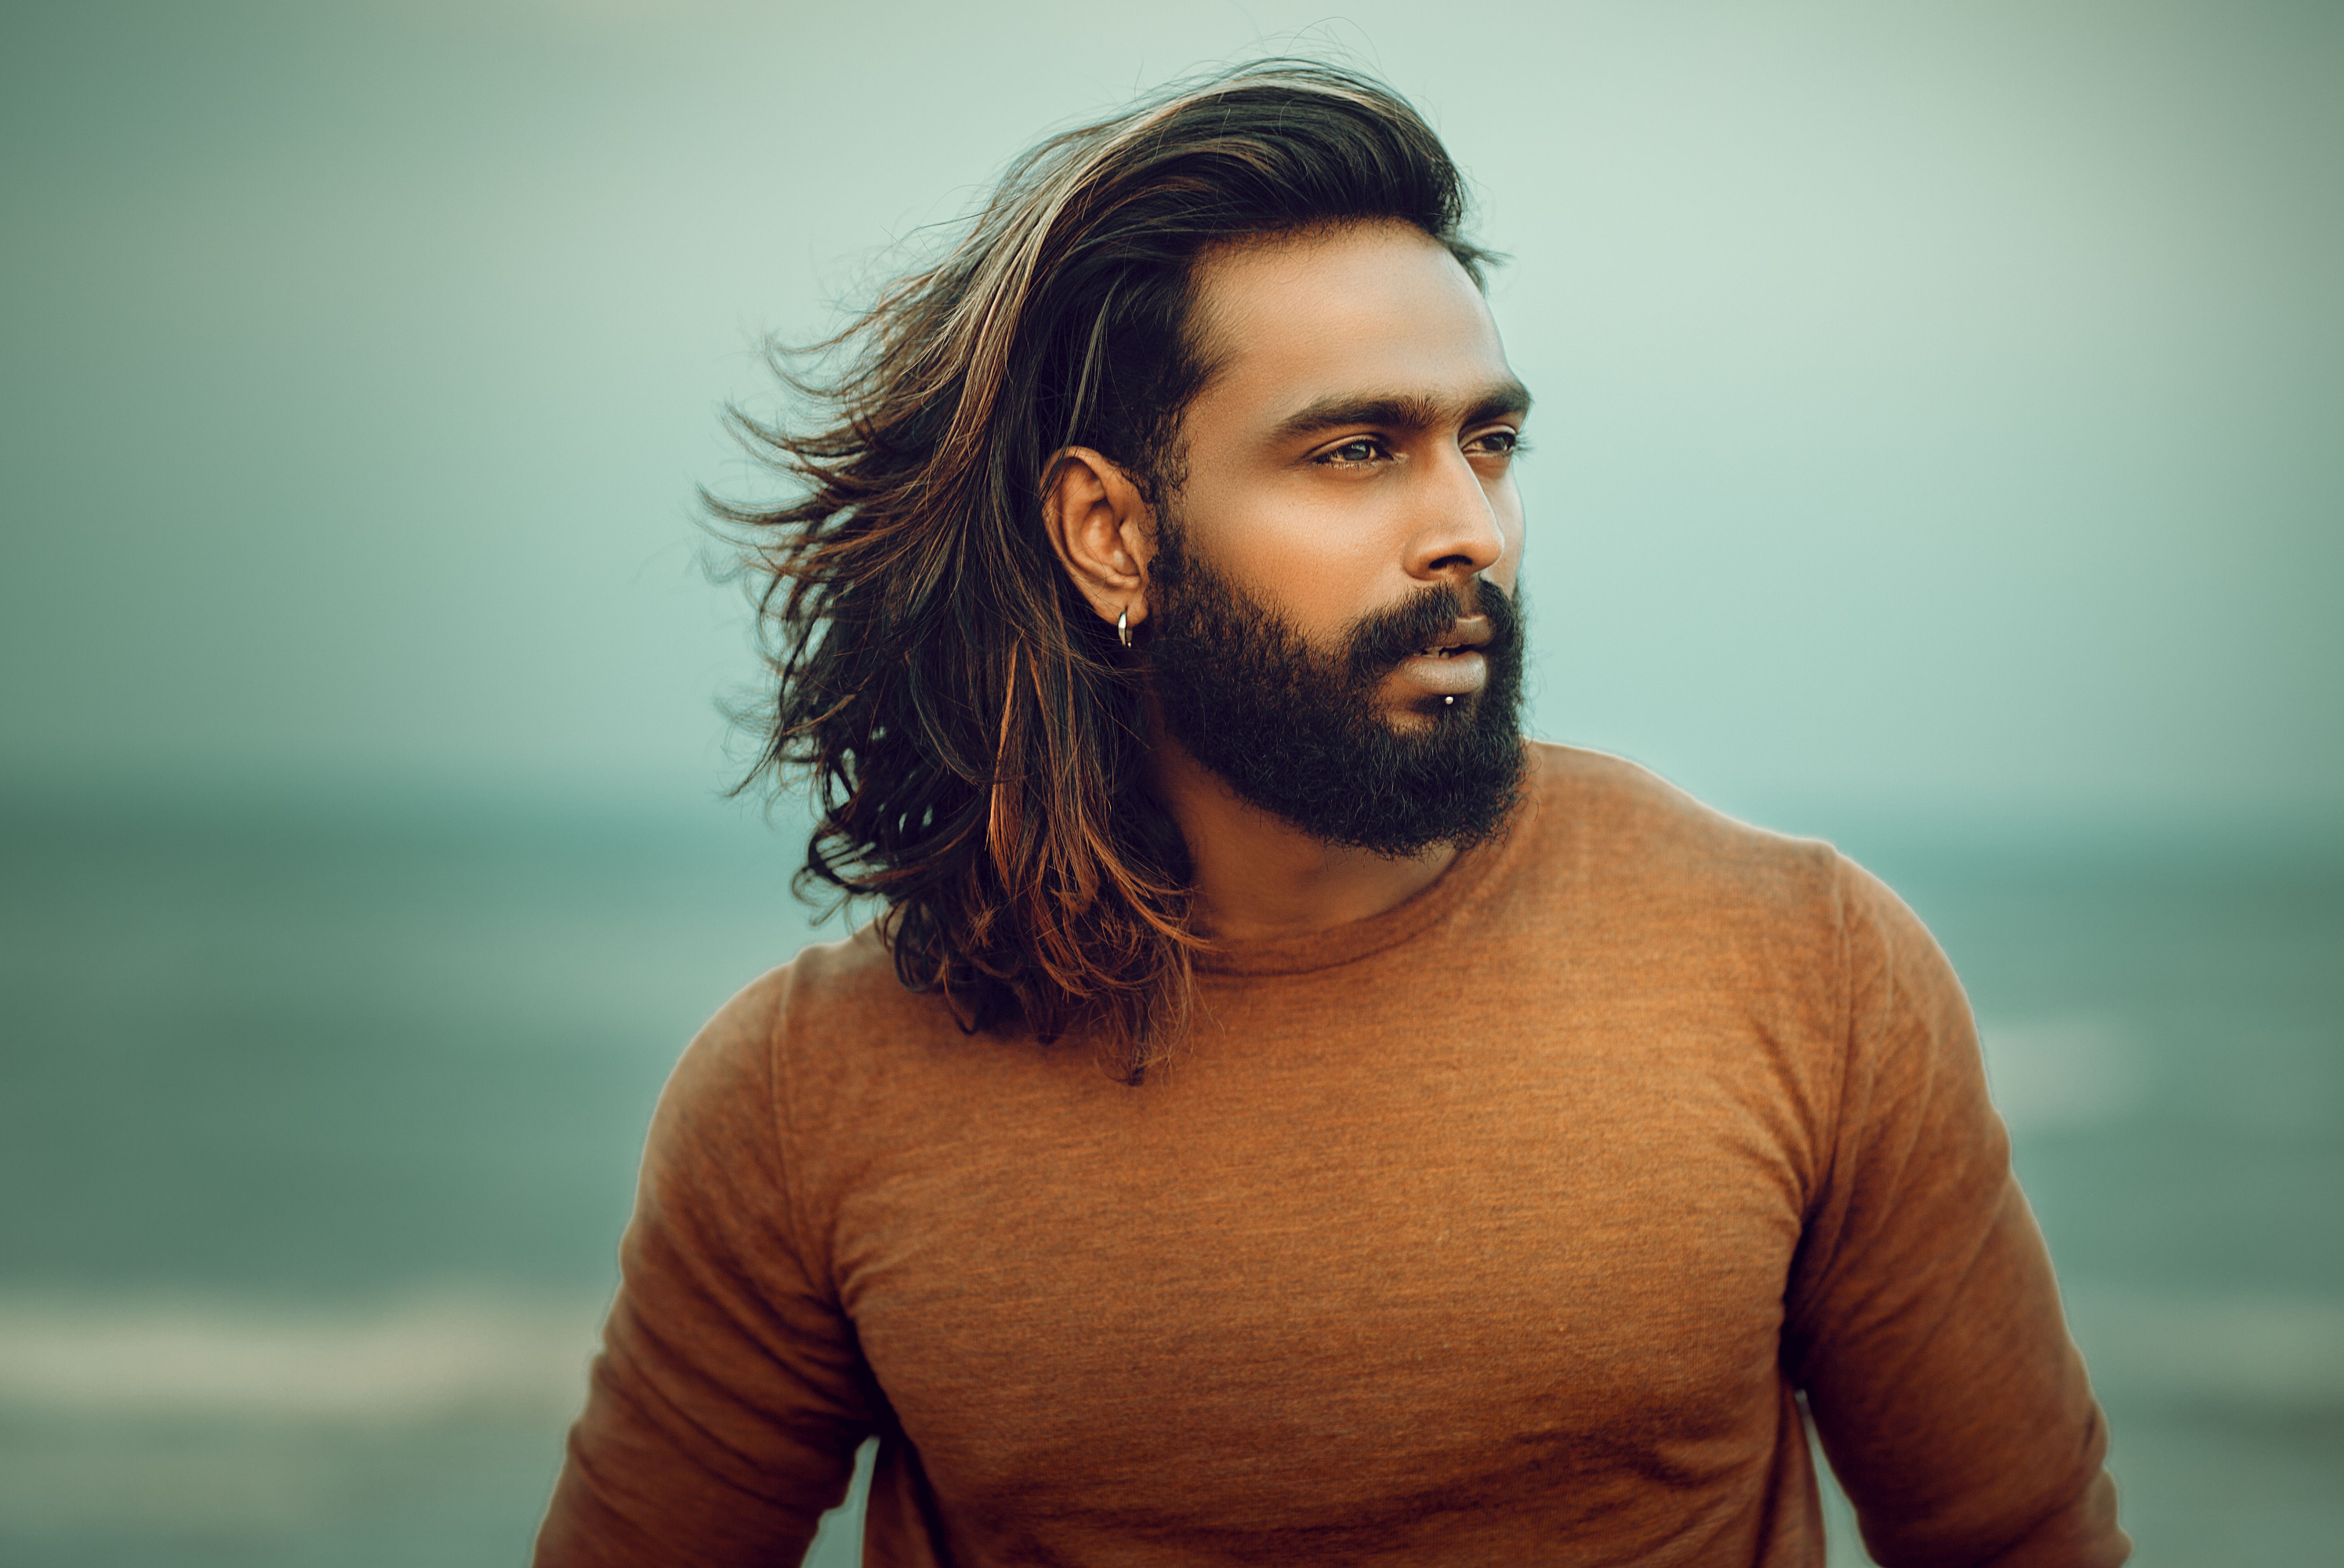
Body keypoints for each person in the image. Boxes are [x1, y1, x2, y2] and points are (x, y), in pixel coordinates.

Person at [534, 63, 2128, 1567]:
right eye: (1360, 450)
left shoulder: (1807, 969)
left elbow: (2018, 1545)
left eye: (1487, 443)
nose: (1470, 532)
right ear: (1109, 530)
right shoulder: (808, 1095)